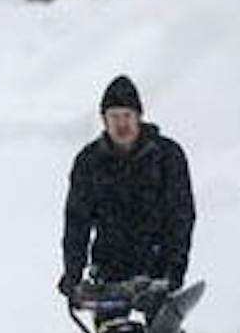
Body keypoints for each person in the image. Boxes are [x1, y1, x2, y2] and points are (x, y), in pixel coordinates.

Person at [59, 75, 196, 297]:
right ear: (104, 120)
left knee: (159, 330)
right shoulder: (88, 162)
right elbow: (77, 222)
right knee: (114, 330)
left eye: (127, 115)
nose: (122, 124)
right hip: (109, 269)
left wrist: (174, 269)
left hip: (156, 267)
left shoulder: (167, 157)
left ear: (139, 117)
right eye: (114, 116)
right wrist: (73, 273)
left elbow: (180, 215)